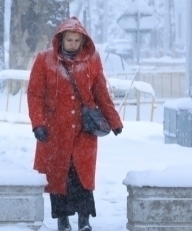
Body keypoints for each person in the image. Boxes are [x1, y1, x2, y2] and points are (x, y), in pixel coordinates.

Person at [27, 17, 123, 231]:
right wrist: (38, 124)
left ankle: (84, 219)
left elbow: (100, 92)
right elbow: (35, 94)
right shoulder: (44, 60)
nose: (72, 44)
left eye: (76, 40)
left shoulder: (92, 60)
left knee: (82, 177)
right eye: (69, 40)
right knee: (58, 176)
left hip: (83, 130)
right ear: (60, 39)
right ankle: (62, 220)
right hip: (55, 131)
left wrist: (114, 120)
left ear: (83, 41)